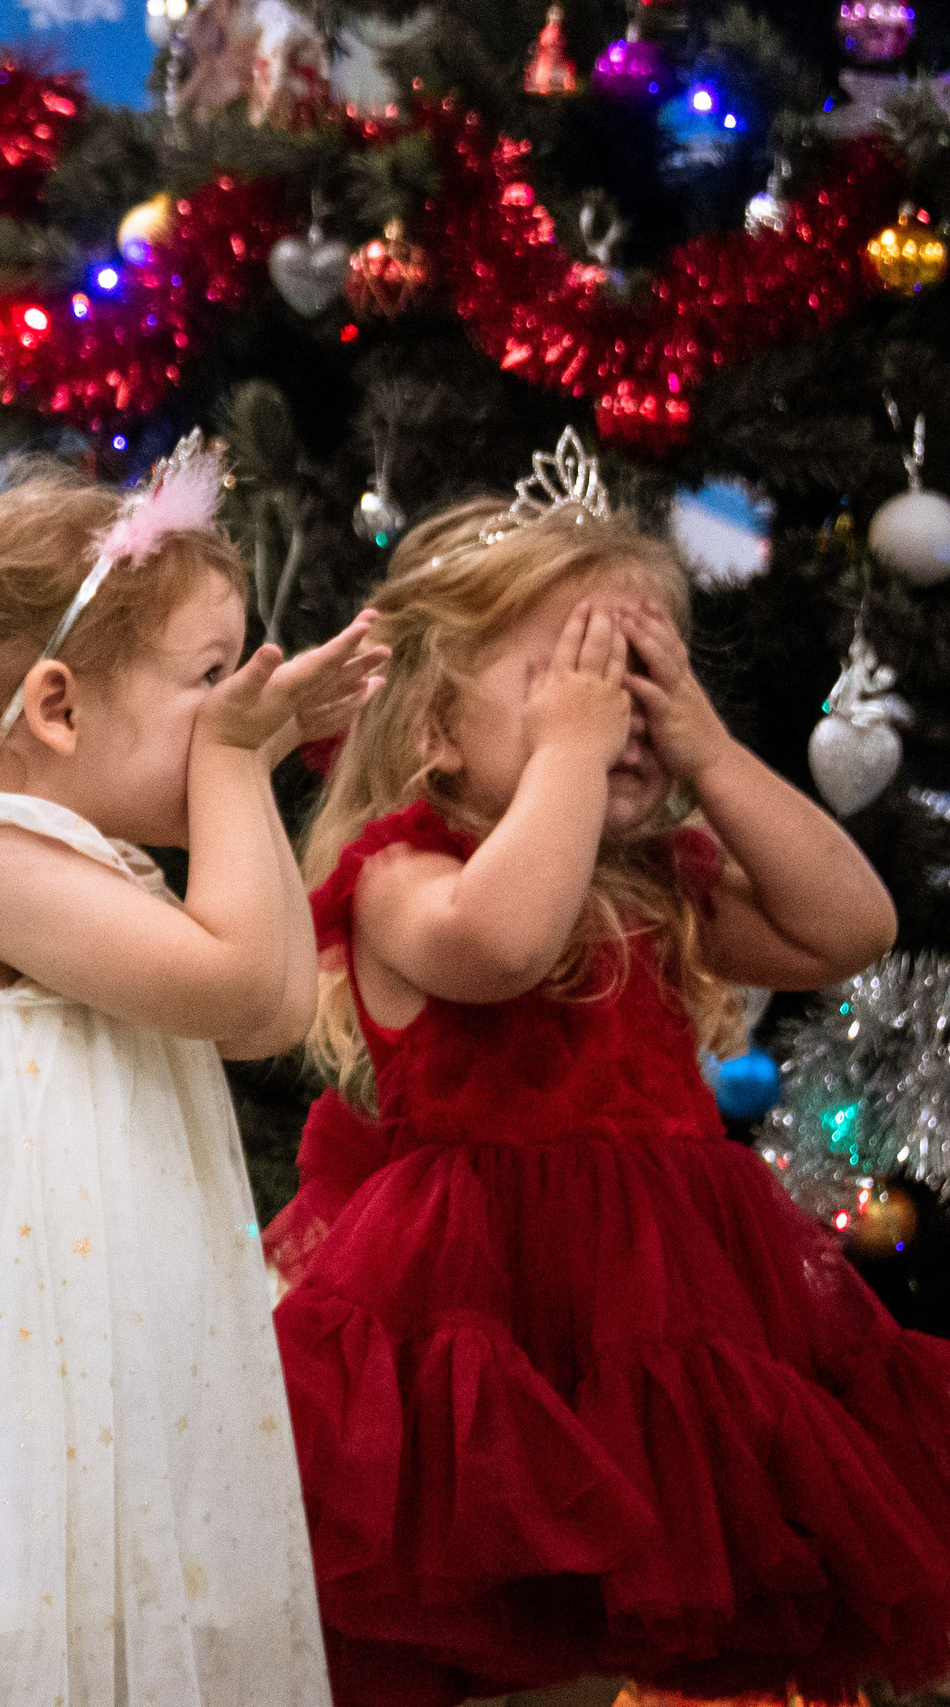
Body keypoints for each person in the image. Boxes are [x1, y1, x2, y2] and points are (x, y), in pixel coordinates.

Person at [269, 429, 950, 1707]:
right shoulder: (404, 879)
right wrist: (577, 757)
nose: (616, 712)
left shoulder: (663, 885)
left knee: (649, 1611)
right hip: (479, 1326)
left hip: (680, 1317)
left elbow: (849, 926)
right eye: (575, 679)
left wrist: (705, 746)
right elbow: (504, 945)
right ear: (434, 733)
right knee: (493, 1620)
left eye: (642, 678)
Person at [0, 441, 385, 1707]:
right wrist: (236, 763)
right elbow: (242, 985)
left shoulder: (90, 866)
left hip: (126, 1393)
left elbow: (269, 1011)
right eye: (209, 680)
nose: (240, 704)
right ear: (57, 707)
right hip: (12, 1431)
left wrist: (239, 761)